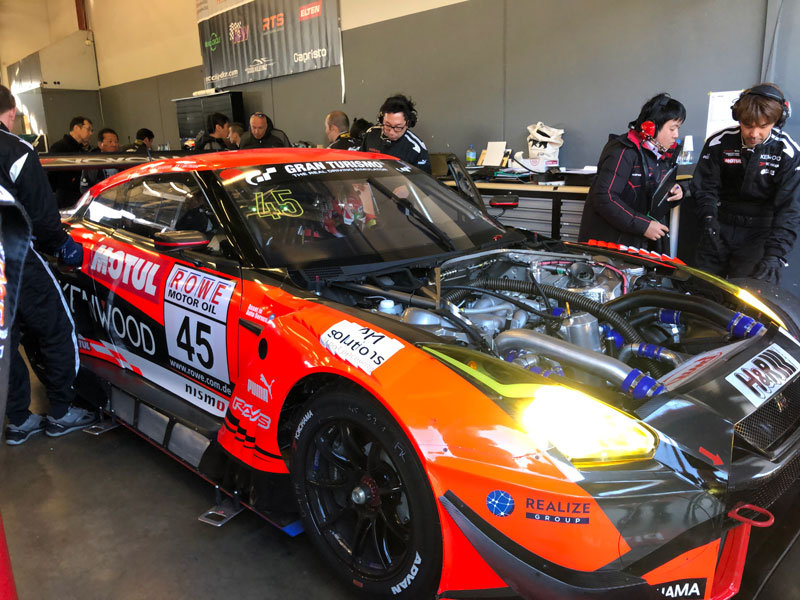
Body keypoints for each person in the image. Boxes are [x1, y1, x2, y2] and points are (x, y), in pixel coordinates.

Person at [0, 84, 96, 444]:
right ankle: (61, 411)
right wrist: (61, 245)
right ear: (11, 112)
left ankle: (18, 420)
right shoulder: (16, 149)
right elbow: (43, 216)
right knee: (56, 327)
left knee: (5, 340)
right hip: (14, 255)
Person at [693, 83, 800, 284]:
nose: (754, 134)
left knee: (746, 296)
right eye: (748, 125)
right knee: (701, 289)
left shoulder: (787, 152)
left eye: (763, 126)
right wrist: (708, 219)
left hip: (759, 235)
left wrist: (775, 254)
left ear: (776, 122)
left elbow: (790, 208)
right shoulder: (719, 143)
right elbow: (705, 187)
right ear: (738, 118)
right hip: (718, 227)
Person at [578, 93, 685, 251]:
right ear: (651, 127)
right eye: (672, 128)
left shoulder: (660, 155)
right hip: (612, 245)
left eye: (678, 129)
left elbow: (651, 195)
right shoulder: (623, 152)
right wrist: (644, 225)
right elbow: (604, 197)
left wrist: (676, 192)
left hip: (640, 244)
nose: (676, 135)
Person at [361, 94, 431, 173]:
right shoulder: (371, 134)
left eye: (398, 127)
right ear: (381, 120)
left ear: (408, 123)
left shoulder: (416, 148)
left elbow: (423, 179)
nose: (391, 132)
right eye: (387, 125)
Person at [47, 116, 93, 208]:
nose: (90, 133)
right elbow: (51, 175)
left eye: (91, 131)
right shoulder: (59, 147)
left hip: (79, 194)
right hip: (65, 197)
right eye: (88, 129)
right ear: (76, 128)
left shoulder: (82, 149)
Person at [80, 127, 121, 192]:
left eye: (116, 142)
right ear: (100, 144)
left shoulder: (124, 159)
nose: (114, 144)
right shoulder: (92, 162)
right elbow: (84, 188)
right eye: (110, 142)